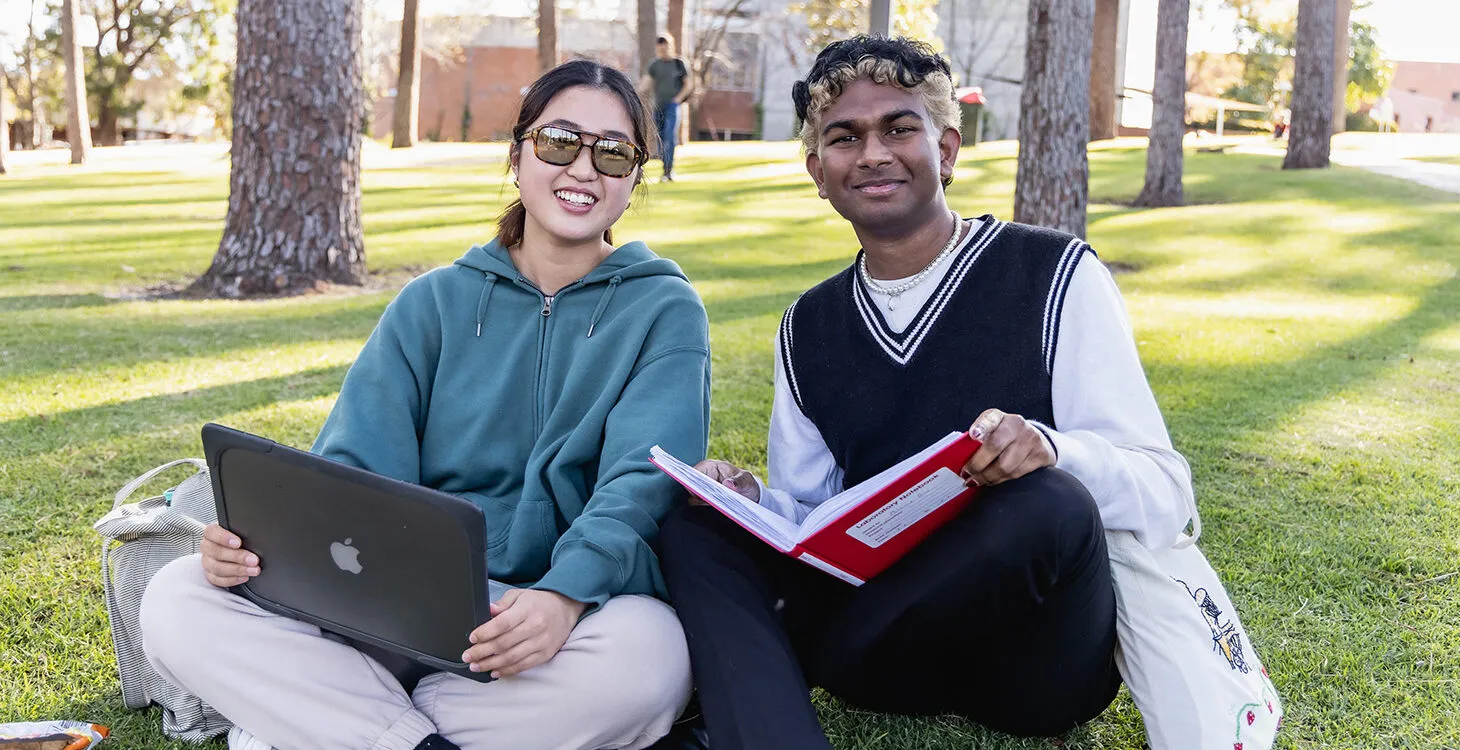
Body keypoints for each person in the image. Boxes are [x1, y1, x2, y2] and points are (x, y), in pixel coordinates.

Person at [140, 60, 712, 750]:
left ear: (634, 177)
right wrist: (253, 553)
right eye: (560, 141)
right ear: (517, 155)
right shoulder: (432, 302)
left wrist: (563, 597)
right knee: (178, 597)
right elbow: (351, 468)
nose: (583, 169)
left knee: (653, 656)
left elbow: (641, 483)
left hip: (551, 621)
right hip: (392, 609)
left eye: (613, 153)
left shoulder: (664, 309)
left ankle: (339, 724)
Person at [657, 36, 1196, 749]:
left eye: (899, 128)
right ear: (819, 172)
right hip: (890, 657)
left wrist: (1052, 450)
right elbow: (813, 519)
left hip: (1032, 667)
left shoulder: (1054, 275)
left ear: (945, 150)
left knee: (1050, 501)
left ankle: (799, 659)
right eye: (845, 138)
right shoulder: (808, 326)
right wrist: (750, 499)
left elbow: (1166, 491)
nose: (873, 154)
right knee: (693, 525)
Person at [639, 33, 694, 181]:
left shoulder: (679, 63)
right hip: (658, 107)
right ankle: (665, 169)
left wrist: (678, 99)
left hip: (672, 106)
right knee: (661, 139)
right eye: (660, 49)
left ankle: (668, 171)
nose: (662, 51)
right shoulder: (654, 65)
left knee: (669, 135)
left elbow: (688, 84)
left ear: (671, 46)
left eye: (665, 48)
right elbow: (646, 83)